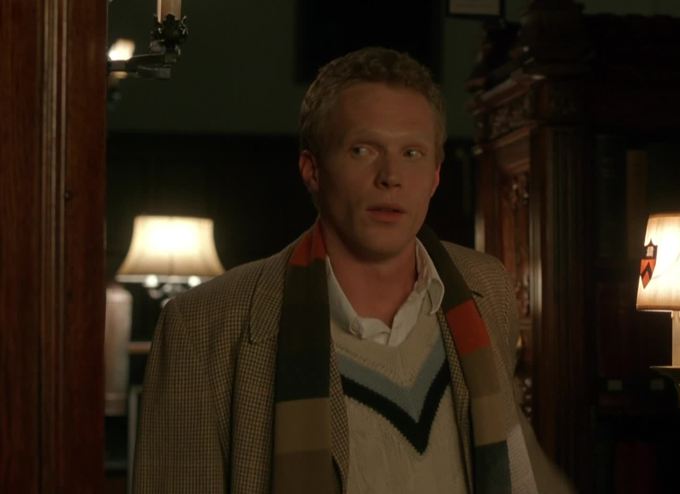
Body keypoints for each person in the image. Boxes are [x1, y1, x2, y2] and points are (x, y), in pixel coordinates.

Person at [133, 46, 572, 494]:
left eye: (412, 153)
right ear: (313, 170)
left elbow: (516, 461)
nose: (391, 176)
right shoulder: (203, 326)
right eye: (363, 150)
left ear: (436, 176)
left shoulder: (485, 287)